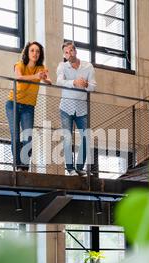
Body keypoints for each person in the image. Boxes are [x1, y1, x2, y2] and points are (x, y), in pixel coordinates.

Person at [5, 41, 52, 172]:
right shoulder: (19, 64)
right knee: (15, 135)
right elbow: (19, 77)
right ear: (27, 52)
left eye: (37, 51)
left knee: (28, 137)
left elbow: (49, 82)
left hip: (29, 107)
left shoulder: (41, 68)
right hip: (13, 103)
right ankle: (17, 165)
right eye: (32, 50)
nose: (35, 53)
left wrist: (44, 78)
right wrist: (36, 76)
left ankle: (24, 167)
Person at [56, 41, 96, 176]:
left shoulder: (88, 66)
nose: (69, 54)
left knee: (86, 137)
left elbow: (93, 86)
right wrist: (74, 82)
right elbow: (59, 82)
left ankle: (79, 167)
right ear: (64, 54)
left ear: (75, 51)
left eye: (71, 51)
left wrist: (85, 84)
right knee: (67, 138)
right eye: (66, 52)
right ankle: (70, 168)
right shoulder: (62, 66)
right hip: (66, 108)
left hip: (81, 108)